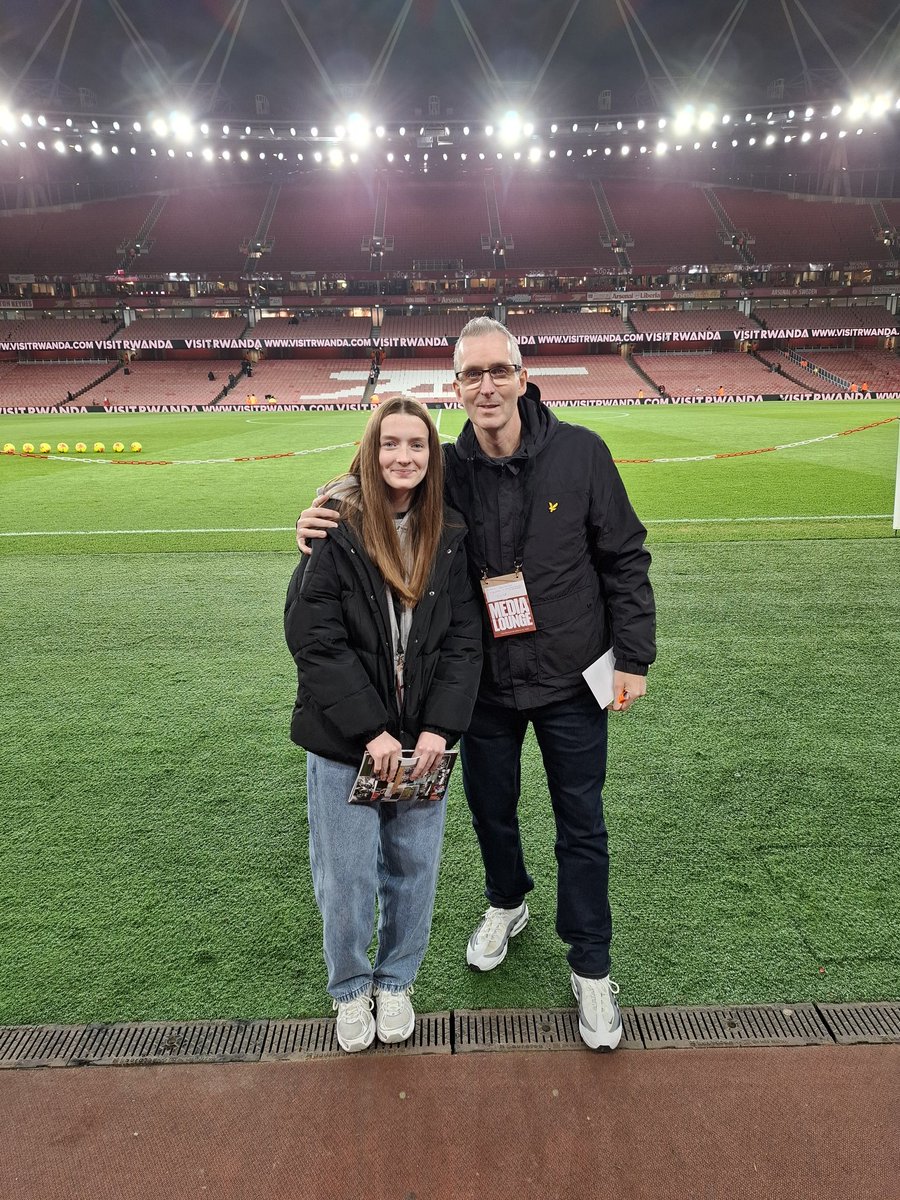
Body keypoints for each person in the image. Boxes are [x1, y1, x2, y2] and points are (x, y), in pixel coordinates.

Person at [297, 317, 656, 1051]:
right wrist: (315, 518)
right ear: (456, 386)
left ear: (523, 376)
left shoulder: (582, 454)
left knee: (581, 824)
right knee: (494, 814)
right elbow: (374, 495)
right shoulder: (444, 467)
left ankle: (591, 967)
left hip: (569, 678)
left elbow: (625, 555)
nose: (487, 385)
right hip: (485, 686)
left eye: (500, 370)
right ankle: (506, 901)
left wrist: (634, 658)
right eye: (471, 374)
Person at [285, 394, 482, 1053]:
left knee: (414, 868)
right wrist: (372, 733)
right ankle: (350, 991)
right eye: (391, 443)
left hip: (422, 744)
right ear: (372, 452)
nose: (404, 456)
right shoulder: (335, 524)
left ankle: (396, 981)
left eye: (417, 445)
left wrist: (436, 732)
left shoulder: (448, 532)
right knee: (347, 877)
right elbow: (316, 643)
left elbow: (463, 643)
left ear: (432, 456)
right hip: (348, 744)